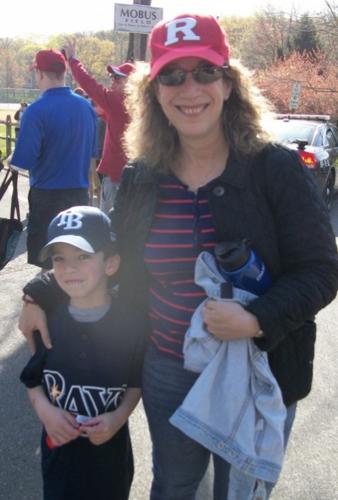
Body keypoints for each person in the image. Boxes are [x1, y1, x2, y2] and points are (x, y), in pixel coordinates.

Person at [19, 13, 338, 500]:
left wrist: (256, 319)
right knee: (174, 486)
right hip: (167, 367)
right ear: (154, 92)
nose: (189, 89)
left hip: (258, 369)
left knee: (241, 493)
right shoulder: (143, 174)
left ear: (228, 84)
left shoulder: (275, 168)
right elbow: (112, 253)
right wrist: (38, 290)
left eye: (204, 72)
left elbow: (321, 270)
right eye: (172, 75)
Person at [20, 205, 146, 500]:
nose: (69, 268)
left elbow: (136, 382)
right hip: (59, 462)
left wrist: (117, 418)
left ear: (111, 263)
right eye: (59, 259)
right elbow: (32, 379)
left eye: (83, 256)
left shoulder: (132, 323)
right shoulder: (46, 321)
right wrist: (45, 412)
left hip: (110, 463)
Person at [10, 49, 97, 268]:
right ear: (64, 72)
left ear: (39, 73)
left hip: (47, 196)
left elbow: (23, 161)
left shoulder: (36, 110)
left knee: (48, 264)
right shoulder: (86, 107)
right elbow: (91, 154)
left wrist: (10, 159)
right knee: (75, 260)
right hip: (78, 194)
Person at [63, 40, 134, 214]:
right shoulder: (140, 104)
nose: (112, 81)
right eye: (112, 77)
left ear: (131, 82)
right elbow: (97, 110)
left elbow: (89, 85)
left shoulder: (118, 101)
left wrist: (73, 60)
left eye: (117, 77)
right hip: (137, 179)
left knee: (110, 231)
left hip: (117, 178)